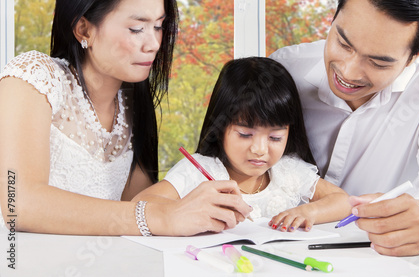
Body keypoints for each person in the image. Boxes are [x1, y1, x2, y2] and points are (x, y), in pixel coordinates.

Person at [0, 0, 251, 236]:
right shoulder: (32, 78)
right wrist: (162, 217)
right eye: (137, 29)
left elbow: (135, 210)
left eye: (158, 27)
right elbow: (19, 205)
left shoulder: (133, 105)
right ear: (84, 30)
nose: (154, 44)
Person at [270, 0, 419, 256]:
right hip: (282, 251)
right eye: (343, 43)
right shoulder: (285, 69)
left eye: (378, 61)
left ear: (415, 55)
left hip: (376, 256)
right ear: (334, 16)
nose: (349, 72)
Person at [135, 57, 351, 232]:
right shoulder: (200, 171)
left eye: (275, 138)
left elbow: (343, 201)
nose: (259, 149)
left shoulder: (288, 171)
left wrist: (309, 213)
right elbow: (141, 203)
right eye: (245, 134)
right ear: (220, 127)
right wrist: (186, 209)